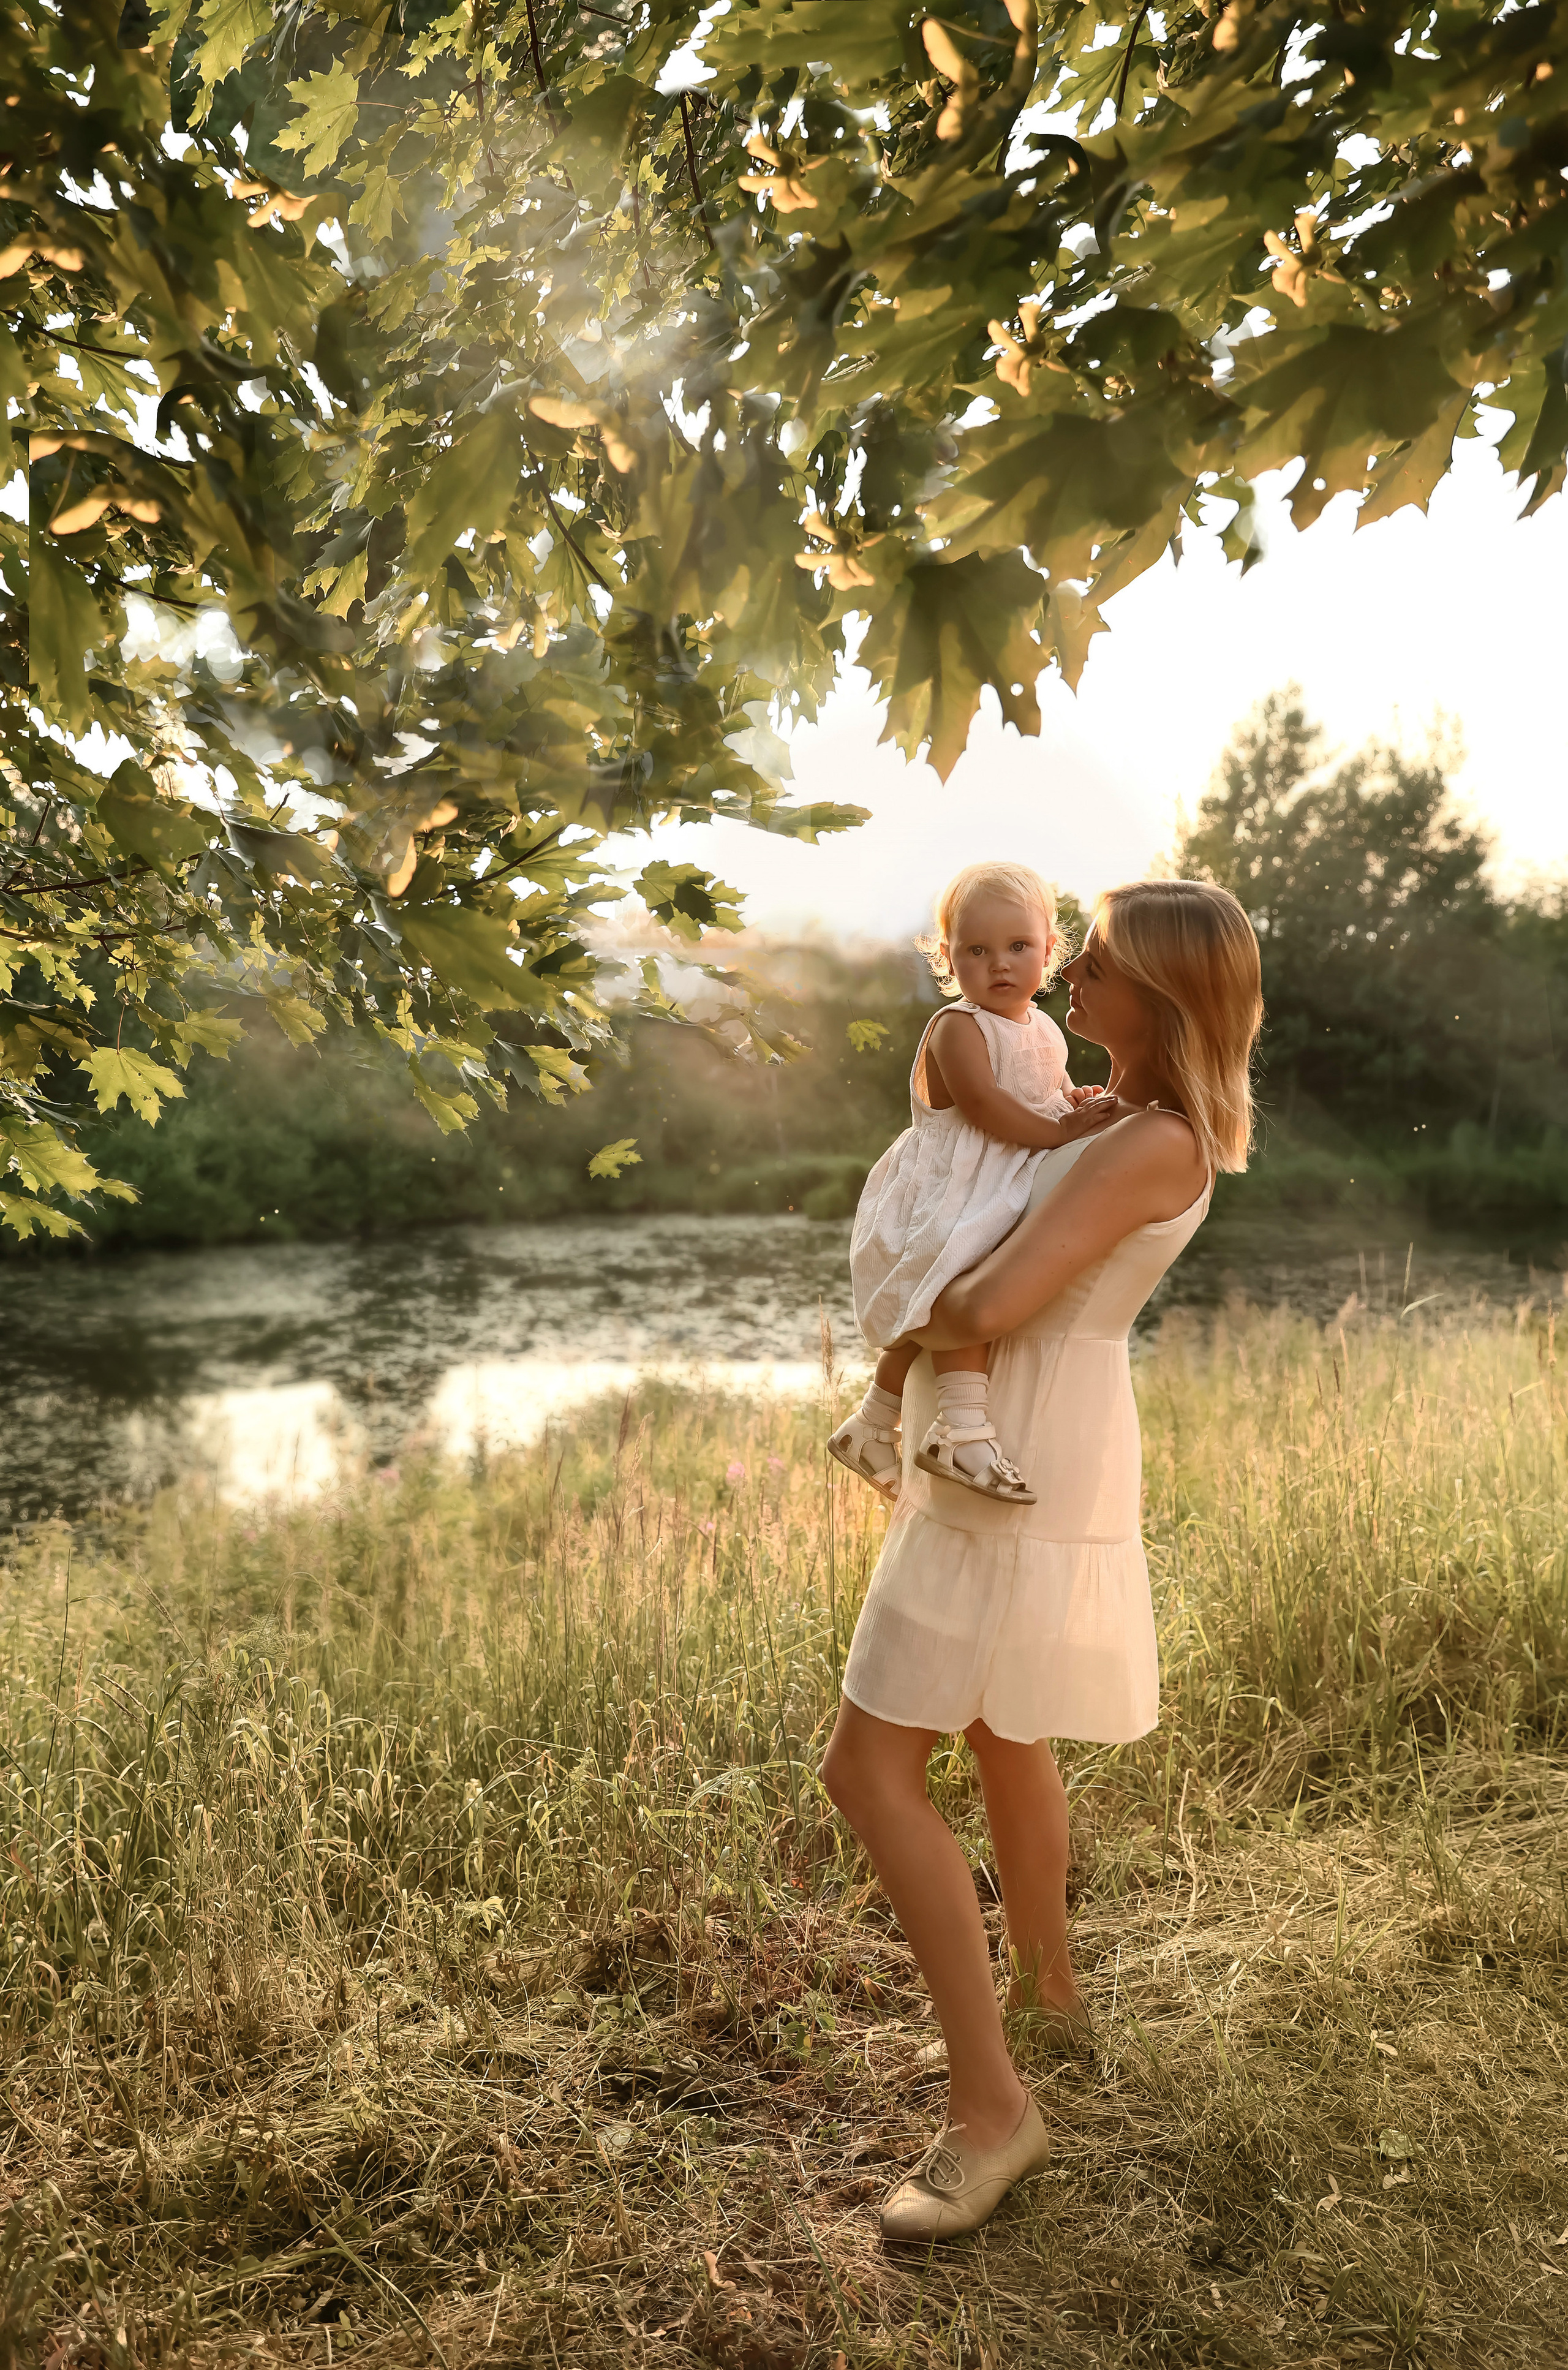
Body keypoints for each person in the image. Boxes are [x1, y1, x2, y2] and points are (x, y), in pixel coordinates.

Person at [820, 877, 1263, 2243]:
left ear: (1163, 995)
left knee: (864, 1765)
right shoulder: (1114, 1114)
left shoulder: (1152, 1142)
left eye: (1092, 964)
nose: (1066, 977)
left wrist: (911, 1308)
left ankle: (989, 2109)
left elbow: (994, 1297)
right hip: (1023, 1425)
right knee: (1003, 1725)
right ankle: (1047, 1988)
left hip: (1015, 1435)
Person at [829, 862, 1119, 1508]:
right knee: (957, 1284)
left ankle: (873, 1424)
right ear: (948, 957)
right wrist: (1064, 1129)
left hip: (999, 1170)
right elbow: (988, 1108)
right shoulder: (957, 1027)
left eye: (1019, 946)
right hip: (947, 1182)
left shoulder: (1043, 1027)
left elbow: (1034, 1095)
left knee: (933, 1304)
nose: (1000, 964)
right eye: (976, 950)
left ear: (1050, 950)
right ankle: (962, 1431)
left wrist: (1069, 1099)